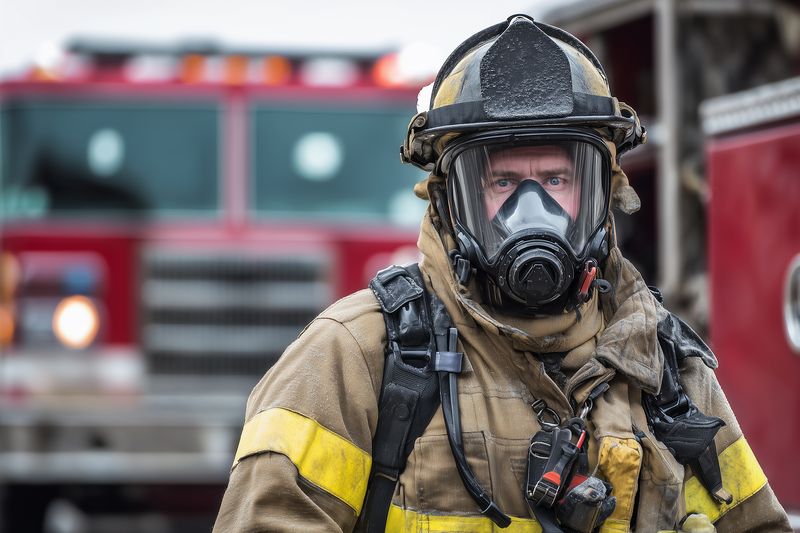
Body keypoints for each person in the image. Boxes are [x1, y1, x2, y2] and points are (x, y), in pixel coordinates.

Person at [213, 15, 792, 533]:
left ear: (601, 193)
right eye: (504, 183)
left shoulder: (661, 369)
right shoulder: (361, 356)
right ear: (450, 198)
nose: (532, 211)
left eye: (557, 181)